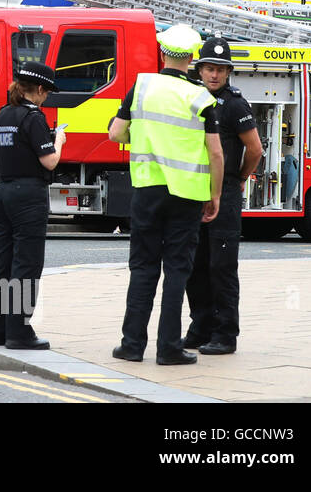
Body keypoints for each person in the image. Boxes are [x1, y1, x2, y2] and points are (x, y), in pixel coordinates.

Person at [108, 24, 224, 366]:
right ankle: (169, 347)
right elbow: (216, 154)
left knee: (143, 267)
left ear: (162, 53)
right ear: (192, 59)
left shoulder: (141, 86)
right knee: (177, 270)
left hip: (146, 191)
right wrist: (214, 194)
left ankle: (131, 345)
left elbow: (116, 133)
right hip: (187, 195)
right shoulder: (202, 97)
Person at [184, 36, 262, 355]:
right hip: (193, 190)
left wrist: (238, 177)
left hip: (225, 193)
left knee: (221, 265)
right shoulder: (189, 98)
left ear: (228, 73)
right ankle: (200, 326)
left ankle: (225, 333)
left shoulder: (234, 104)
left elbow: (255, 149)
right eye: (208, 68)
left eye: (220, 70)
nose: (214, 75)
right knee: (194, 265)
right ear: (199, 70)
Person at [0, 61, 66, 349]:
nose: (46, 98)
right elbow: (49, 161)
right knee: (26, 264)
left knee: (2, 262)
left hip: (4, 191)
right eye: (47, 92)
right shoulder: (34, 118)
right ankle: (18, 331)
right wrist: (60, 141)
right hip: (29, 194)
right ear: (40, 89)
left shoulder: (3, 115)